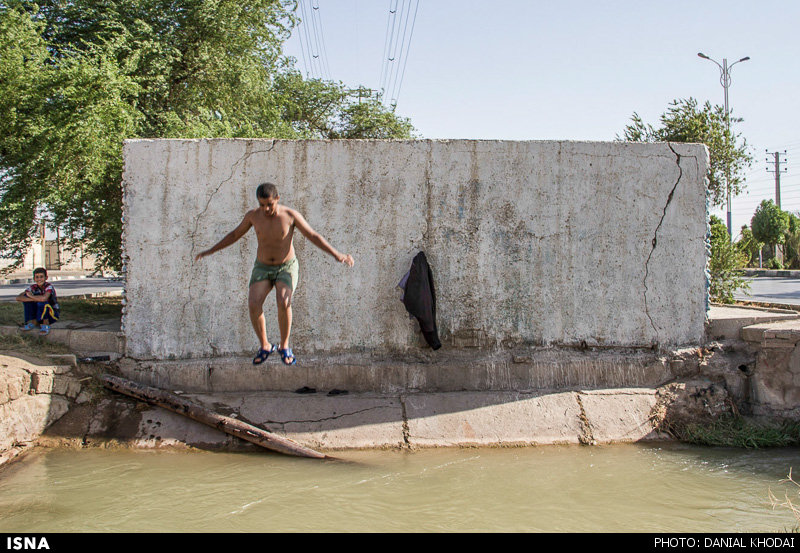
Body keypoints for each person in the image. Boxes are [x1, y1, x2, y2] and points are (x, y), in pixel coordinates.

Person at [195, 182, 354, 365]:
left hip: (286, 266)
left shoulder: (290, 216)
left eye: (270, 204)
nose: (266, 209)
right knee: (253, 303)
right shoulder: (253, 216)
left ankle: (284, 346)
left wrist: (337, 255)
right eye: (262, 205)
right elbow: (234, 235)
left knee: (284, 301)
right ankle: (265, 345)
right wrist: (211, 250)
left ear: (277, 199)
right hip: (263, 267)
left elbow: (313, 236)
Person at [15, 267, 60, 336]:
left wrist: (32, 296)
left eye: (41, 277)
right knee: (27, 300)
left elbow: (44, 298)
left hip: (51, 314)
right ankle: (33, 322)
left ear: (46, 277)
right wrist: (32, 298)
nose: (39, 279)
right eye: (37, 277)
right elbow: (18, 298)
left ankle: (45, 324)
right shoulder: (33, 287)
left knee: (42, 302)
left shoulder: (49, 287)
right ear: (34, 279)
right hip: (39, 314)